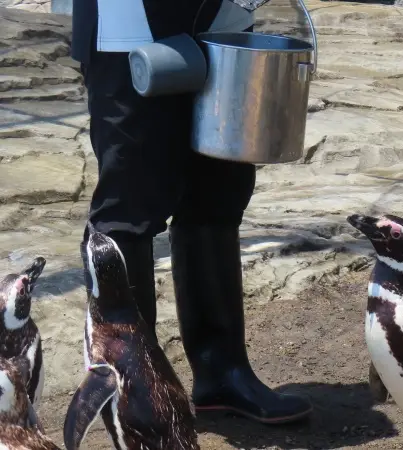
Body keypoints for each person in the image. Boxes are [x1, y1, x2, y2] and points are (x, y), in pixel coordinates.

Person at [70, 0, 313, 424]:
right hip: (128, 25)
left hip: (224, 19)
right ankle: (137, 391)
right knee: (128, 206)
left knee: (218, 191)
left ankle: (223, 373)